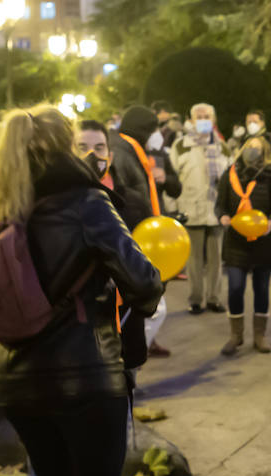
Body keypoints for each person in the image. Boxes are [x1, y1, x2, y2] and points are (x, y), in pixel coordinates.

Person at [0, 104, 163, 476]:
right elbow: (143, 280)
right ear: (63, 145)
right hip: (84, 374)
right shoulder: (87, 202)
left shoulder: (3, 207)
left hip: (15, 376)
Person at [110, 105, 179, 358]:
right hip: (134, 239)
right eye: (155, 128)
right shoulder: (122, 153)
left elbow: (175, 185)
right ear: (144, 130)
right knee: (149, 306)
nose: (158, 134)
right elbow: (124, 199)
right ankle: (128, 361)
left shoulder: (137, 151)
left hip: (145, 235)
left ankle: (140, 348)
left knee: (149, 306)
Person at [216, 137, 271, 355]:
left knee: (262, 289)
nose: (253, 150)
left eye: (257, 148)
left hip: (263, 242)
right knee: (235, 288)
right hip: (235, 242)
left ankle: (260, 336)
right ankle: (236, 335)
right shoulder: (229, 174)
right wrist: (223, 217)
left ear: (264, 151)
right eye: (250, 146)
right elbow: (219, 204)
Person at [171, 102, 231, 314]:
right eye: (199, 117)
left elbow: (229, 180)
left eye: (207, 116)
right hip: (191, 208)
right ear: (192, 120)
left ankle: (214, 298)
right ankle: (195, 299)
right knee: (194, 259)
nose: (203, 120)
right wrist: (173, 208)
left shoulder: (222, 146)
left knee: (216, 259)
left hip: (215, 210)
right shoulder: (181, 145)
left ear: (213, 121)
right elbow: (172, 179)